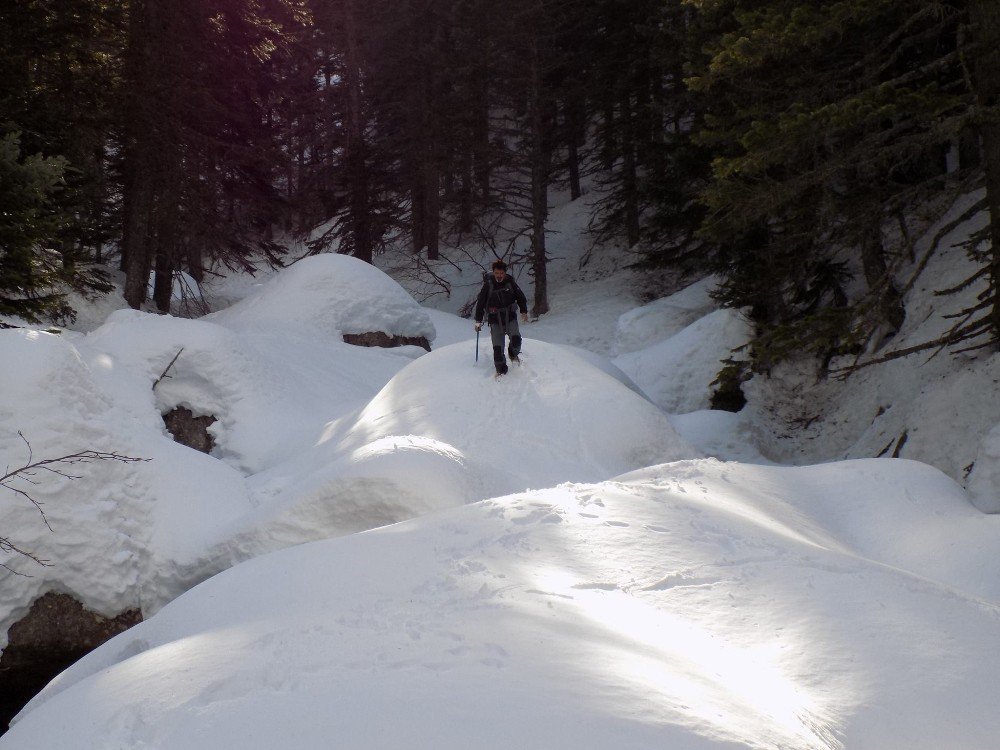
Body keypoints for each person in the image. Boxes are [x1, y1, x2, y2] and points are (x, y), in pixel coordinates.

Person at [474, 260, 528, 375]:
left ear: (505, 273)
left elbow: (520, 296)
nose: (499, 275)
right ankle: (501, 371)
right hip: (495, 320)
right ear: (493, 272)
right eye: (497, 273)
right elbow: (481, 303)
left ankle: (513, 354)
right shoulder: (488, 285)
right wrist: (478, 321)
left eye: (501, 273)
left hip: (510, 317)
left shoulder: (510, 282)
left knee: (516, 341)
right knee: (498, 350)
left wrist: (524, 311)